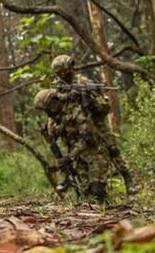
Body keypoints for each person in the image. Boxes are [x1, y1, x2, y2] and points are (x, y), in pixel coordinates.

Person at [35, 55, 136, 201]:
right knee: (85, 186)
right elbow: (54, 106)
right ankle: (85, 194)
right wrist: (69, 97)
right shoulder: (56, 88)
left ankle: (128, 179)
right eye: (61, 73)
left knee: (112, 150)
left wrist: (88, 98)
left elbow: (104, 108)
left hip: (95, 125)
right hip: (73, 132)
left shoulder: (84, 84)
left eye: (66, 71)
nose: (64, 75)